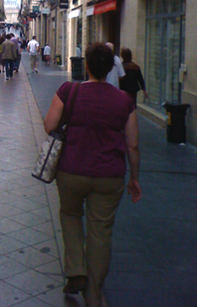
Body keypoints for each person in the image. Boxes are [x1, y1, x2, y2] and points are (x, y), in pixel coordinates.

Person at [44, 43, 141, 306]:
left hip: (71, 170)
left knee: (70, 214)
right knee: (101, 231)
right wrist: (134, 177)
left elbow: (50, 125)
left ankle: (76, 270)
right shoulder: (125, 101)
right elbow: (132, 144)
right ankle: (95, 291)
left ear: (86, 65)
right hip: (109, 176)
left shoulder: (68, 90)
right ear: (111, 68)